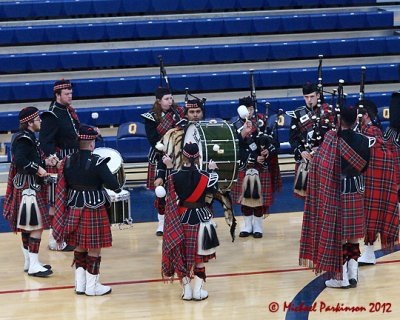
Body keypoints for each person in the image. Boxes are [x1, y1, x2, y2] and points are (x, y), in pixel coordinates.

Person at [299, 104, 373, 289]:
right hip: (356, 191)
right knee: (353, 236)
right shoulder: (364, 141)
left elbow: (322, 166)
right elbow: (364, 168)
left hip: (336, 193)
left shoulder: (332, 139)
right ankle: (352, 273)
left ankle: (341, 278)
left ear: (339, 121)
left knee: (339, 237)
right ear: (356, 120)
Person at [52, 125, 121, 296]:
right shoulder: (97, 161)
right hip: (93, 207)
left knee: (80, 246)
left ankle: (80, 285)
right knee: (94, 248)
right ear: (91, 143)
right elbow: (114, 185)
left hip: (74, 207)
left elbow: (64, 186)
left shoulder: (67, 161)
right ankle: (92, 287)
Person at [161, 142, 219, 301]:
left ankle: (187, 290)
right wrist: (212, 169)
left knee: (181, 256)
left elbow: (168, 193)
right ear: (199, 156)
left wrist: (169, 167)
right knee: (199, 258)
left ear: (183, 156)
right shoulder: (207, 176)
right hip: (202, 220)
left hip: (182, 219)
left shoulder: (173, 176)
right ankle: (198, 291)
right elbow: (213, 193)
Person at [3, 107, 55, 277]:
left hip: (26, 187)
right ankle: (33, 265)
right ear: (30, 122)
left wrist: (46, 161)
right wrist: (38, 168)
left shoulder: (26, 137)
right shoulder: (24, 139)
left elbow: (28, 157)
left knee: (27, 226)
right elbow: (19, 161)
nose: (40, 121)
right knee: (36, 225)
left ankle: (30, 262)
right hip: (29, 187)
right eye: (38, 119)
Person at [231, 97, 281, 238]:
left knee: (259, 199)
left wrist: (267, 152)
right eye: (247, 109)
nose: (250, 112)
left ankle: (258, 226)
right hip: (244, 166)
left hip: (261, 166)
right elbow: (234, 146)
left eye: (252, 109)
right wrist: (243, 134)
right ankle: (247, 225)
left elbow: (274, 142)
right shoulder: (234, 125)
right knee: (245, 198)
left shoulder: (261, 122)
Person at [39, 79, 80, 251]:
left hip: (71, 160)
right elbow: (45, 141)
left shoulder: (68, 111)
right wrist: (54, 159)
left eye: (71, 93)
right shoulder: (52, 115)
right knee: (56, 203)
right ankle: (54, 239)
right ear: (57, 95)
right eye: (66, 94)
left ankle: (63, 235)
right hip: (59, 162)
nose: (70, 96)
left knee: (67, 201)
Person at [357, 100, 399, 267]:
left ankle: (368, 254)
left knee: (371, 218)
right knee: (371, 218)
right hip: (375, 181)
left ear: (366, 115)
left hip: (374, 182)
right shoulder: (374, 132)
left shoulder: (371, 133)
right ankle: (368, 253)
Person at [141, 87, 185, 236]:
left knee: (178, 189)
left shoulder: (178, 114)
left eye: (171, 98)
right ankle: (161, 223)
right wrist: (165, 148)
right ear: (159, 101)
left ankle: (177, 220)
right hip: (158, 154)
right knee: (161, 192)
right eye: (166, 99)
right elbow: (152, 139)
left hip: (177, 155)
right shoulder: (150, 117)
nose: (170, 101)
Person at [287, 82, 334, 198]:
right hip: (306, 161)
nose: (309, 100)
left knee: (326, 197)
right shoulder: (297, 114)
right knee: (308, 199)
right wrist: (301, 151)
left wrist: (322, 148)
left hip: (325, 159)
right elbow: (293, 138)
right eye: (306, 97)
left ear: (318, 95)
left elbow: (335, 136)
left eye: (312, 96)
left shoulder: (328, 111)